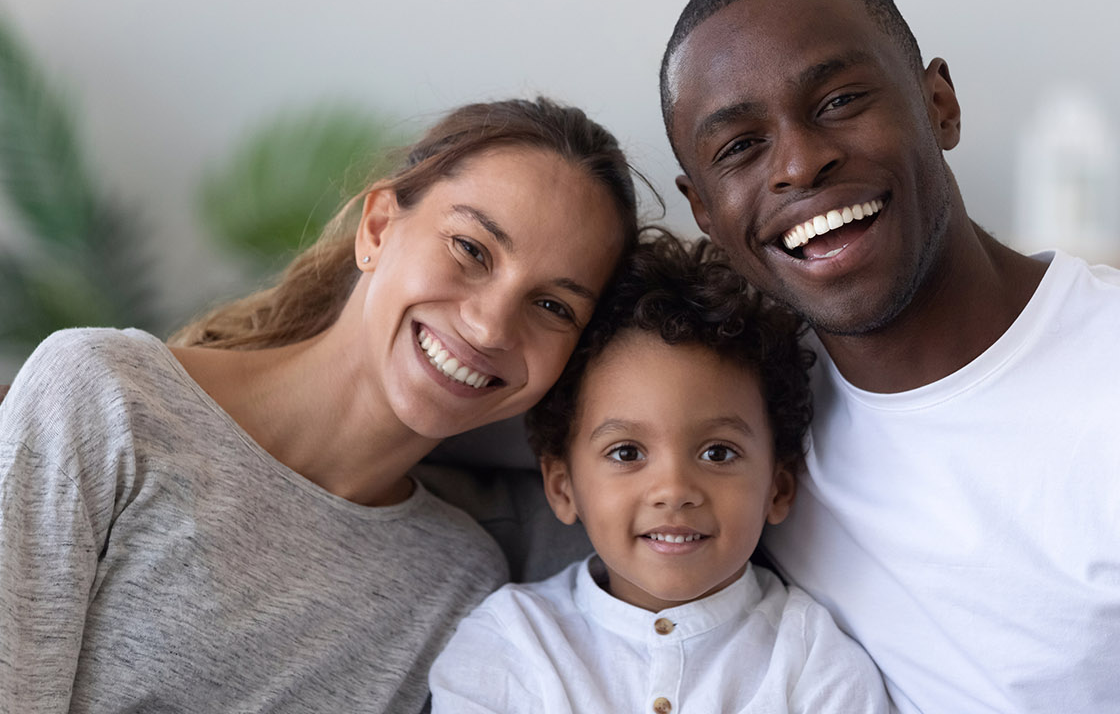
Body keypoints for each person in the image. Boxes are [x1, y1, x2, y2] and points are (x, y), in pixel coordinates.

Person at [659, 0, 1120, 714]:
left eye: (840, 100)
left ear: (940, 106)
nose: (800, 164)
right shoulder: (743, 415)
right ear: (703, 210)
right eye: (739, 147)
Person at [0, 97, 641, 714]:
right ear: (378, 227)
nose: (490, 328)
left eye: (555, 306)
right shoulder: (105, 395)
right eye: (471, 249)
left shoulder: (460, 585)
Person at [427, 231, 891, 713]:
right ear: (563, 488)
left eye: (717, 453)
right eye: (627, 453)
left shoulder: (815, 663)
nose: (674, 490)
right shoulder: (512, 642)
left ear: (779, 487)